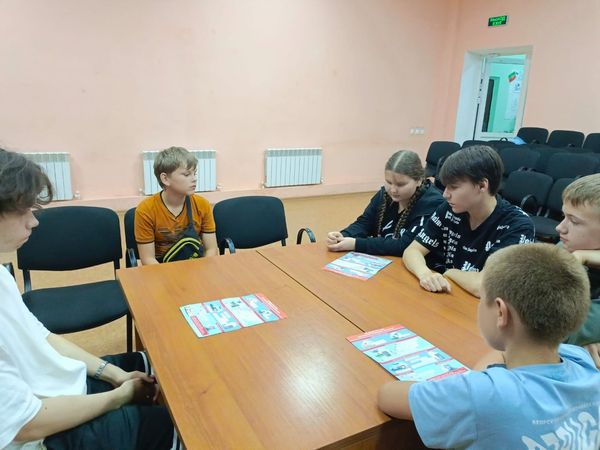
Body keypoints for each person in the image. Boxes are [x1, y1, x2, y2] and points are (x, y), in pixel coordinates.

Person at [0, 150, 176, 449]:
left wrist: (115, 375)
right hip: (41, 433)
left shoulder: (2, 275)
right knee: (178, 424)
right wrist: (120, 395)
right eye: (22, 212)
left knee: (162, 366)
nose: (33, 222)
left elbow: (42, 337)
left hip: (59, 389)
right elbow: (26, 424)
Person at [378, 243, 600, 449]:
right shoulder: (582, 360)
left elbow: (387, 396)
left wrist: (472, 384)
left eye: (482, 300)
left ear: (501, 313)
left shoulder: (482, 395)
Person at [403, 145, 534, 297]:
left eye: (453, 187)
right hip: (455, 296)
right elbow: (412, 251)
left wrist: (449, 272)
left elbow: (485, 286)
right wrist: (425, 274)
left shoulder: (518, 225)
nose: (445, 194)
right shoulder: (450, 209)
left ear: (482, 185)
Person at [327, 150, 444, 256]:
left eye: (401, 184)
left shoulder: (432, 203)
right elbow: (364, 222)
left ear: (419, 180)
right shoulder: (384, 194)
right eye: (389, 182)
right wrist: (344, 235)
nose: (393, 190)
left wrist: (356, 244)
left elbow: (405, 246)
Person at [135, 146, 218, 264]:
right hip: (161, 269)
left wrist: (202, 270)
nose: (194, 179)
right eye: (186, 174)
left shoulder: (202, 205)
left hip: (196, 265)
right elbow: (148, 259)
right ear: (165, 179)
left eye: (194, 173)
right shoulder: (146, 210)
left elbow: (211, 249)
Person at [556, 173, 600, 367]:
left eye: (574, 221)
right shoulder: (568, 248)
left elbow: (550, 330)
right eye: (564, 216)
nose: (560, 228)